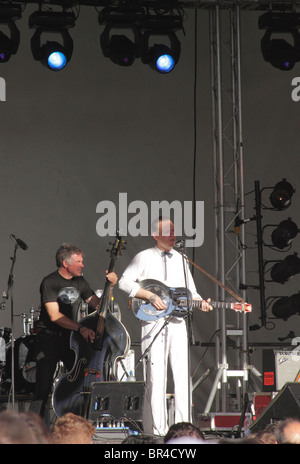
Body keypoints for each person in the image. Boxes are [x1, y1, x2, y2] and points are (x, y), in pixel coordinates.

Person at [118, 217, 212, 436]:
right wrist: (148, 295)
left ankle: (185, 431)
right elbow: (124, 282)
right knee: (156, 376)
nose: (173, 235)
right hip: (153, 322)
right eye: (168, 231)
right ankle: (159, 432)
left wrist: (201, 303)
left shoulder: (181, 259)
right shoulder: (144, 257)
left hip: (177, 323)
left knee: (182, 376)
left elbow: (192, 292)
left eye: (174, 231)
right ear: (155, 235)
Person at [29, 243, 117, 418]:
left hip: (71, 340)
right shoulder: (50, 282)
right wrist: (81, 328)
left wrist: (111, 286)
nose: (82, 265)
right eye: (78, 261)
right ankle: (33, 431)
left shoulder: (80, 282)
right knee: (43, 387)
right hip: (49, 340)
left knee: (81, 382)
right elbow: (55, 316)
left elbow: (99, 306)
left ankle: (80, 423)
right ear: (65, 263)